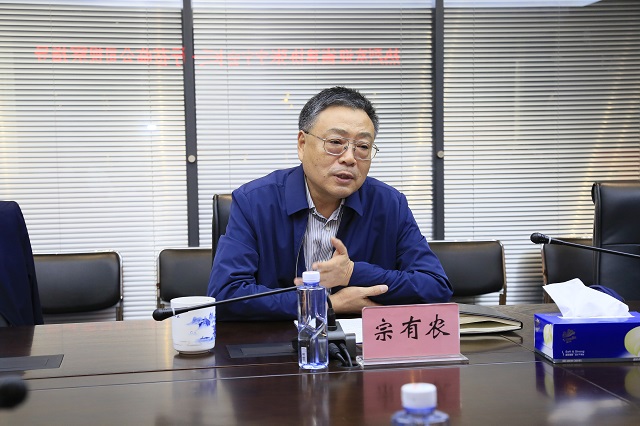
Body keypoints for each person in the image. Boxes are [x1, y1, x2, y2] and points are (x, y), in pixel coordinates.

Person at [207, 86, 452, 320]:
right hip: (278, 343)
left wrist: (352, 272)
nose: (349, 158)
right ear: (302, 144)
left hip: (361, 345)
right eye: (335, 143)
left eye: (362, 146)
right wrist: (326, 304)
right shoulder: (254, 202)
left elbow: (436, 286)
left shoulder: (389, 205)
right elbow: (226, 295)